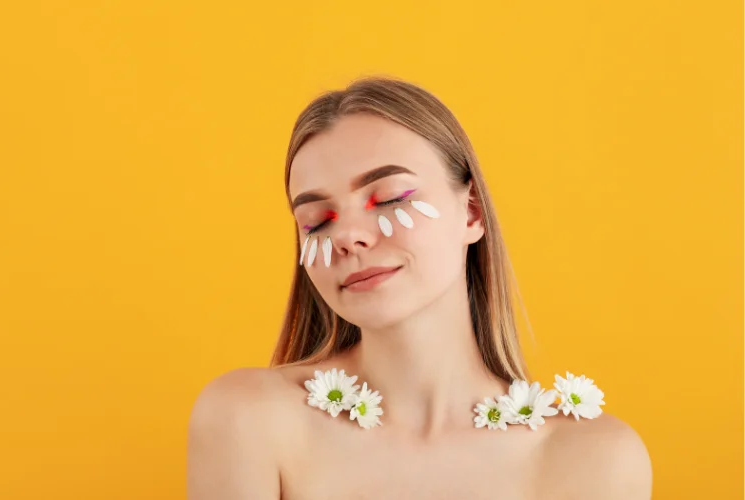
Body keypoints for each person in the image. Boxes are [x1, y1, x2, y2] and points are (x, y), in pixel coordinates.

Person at [187, 76, 652, 499]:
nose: (348, 236)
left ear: (471, 212)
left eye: (389, 199)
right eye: (316, 221)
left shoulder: (596, 459)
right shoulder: (248, 418)